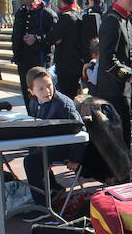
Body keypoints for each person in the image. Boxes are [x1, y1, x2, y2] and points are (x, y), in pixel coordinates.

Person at [22, 67, 86, 208]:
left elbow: (81, 131)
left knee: (30, 161)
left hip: (67, 146)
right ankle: (54, 188)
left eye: (49, 86)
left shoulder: (63, 104)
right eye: (41, 89)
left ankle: (42, 206)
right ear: (31, 91)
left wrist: (75, 158)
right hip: (50, 143)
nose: (47, 91)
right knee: (33, 152)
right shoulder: (34, 102)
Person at [97, 0, 132, 151]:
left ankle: (122, 175)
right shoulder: (112, 20)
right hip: (112, 89)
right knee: (118, 137)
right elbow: (108, 58)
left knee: (124, 134)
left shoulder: (125, 19)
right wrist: (128, 76)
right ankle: (119, 177)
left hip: (122, 88)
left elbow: (129, 52)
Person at [12, 0, 58, 112]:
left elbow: (55, 37)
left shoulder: (47, 14)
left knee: (43, 96)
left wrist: (36, 39)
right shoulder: (20, 13)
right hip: (23, 62)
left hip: (40, 61)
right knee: (28, 95)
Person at [31, 0, 83, 99]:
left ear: (60, 0)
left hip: (66, 66)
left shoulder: (65, 18)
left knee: (67, 97)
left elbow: (51, 38)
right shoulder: (78, 14)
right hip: (77, 64)